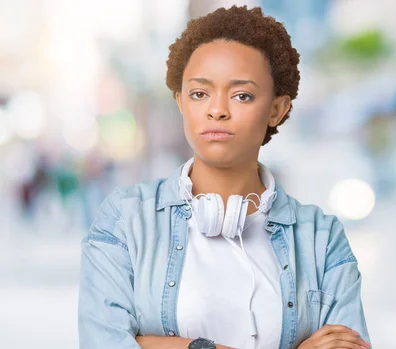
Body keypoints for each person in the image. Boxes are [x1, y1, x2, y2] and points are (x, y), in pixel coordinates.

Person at [78, 5, 371, 349]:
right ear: (181, 103)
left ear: (277, 109)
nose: (217, 110)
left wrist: (155, 344)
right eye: (199, 93)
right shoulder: (125, 220)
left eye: (241, 95)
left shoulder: (321, 239)